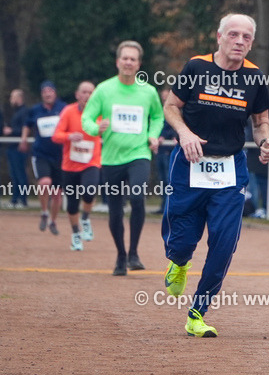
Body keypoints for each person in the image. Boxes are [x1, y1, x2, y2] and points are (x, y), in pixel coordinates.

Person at [160, 13, 269, 337]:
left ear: (251, 42)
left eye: (247, 37)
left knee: (225, 242)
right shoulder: (196, 67)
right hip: (189, 162)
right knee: (183, 238)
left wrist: (264, 142)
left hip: (230, 168)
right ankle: (179, 261)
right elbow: (171, 106)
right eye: (234, 35)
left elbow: (260, 120)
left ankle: (198, 312)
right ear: (219, 37)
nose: (240, 42)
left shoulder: (254, 78)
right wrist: (184, 134)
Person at [82, 41, 164, 276]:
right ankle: (120, 255)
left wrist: (153, 135)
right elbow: (87, 118)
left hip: (139, 154)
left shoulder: (147, 91)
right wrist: (95, 128)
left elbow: (157, 117)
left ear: (139, 64)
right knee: (115, 211)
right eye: (125, 58)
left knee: (137, 196)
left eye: (133, 59)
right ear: (118, 62)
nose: (128, 62)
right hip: (111, 159)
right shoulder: (104, 90)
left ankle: (134, 253)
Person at [52, 81, 101, 251]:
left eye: (90, 92)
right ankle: (75, 234)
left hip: (91, 162)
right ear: (77, 94)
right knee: (72, 204)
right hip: (70, 165)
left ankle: (85, 218)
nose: (87, 95)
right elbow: (56, 135)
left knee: (89, 190)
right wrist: (69, 136)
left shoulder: (99, 113)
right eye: (84, 92)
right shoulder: (68, 111)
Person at [21, 82, 66, 233]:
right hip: (41, 154)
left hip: (60, 155)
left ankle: (53, 221)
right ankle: (44, 212)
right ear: (41, 94)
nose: (48, 94)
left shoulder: (63, 108)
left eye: (50, 91)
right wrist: (24, 139)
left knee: (57, 193)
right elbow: (27, 125)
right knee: (44, 183)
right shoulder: (35, 110)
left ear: (55, 93)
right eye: (45, 91)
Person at [5, 89, 30, 208]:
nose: (11, 99)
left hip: (19, 148)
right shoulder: (16, 112)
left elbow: (26, 129)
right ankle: (14, 199)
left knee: (20, 175)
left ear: (19, 98)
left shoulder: (24, 112)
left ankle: (23, 200)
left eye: (12, 97)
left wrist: (11, 131)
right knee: (14, 175)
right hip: (12, 147)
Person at [155, 88, 177, 215]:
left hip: (169, 150)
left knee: (170, 180)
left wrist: (166, 136)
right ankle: (163, 206)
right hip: (161, 150)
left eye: (166, 97)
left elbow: (174, 127)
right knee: (162, 180)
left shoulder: (175, 111)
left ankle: (170, 207)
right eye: (163, 98)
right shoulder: (158, 111)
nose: (164, 100)